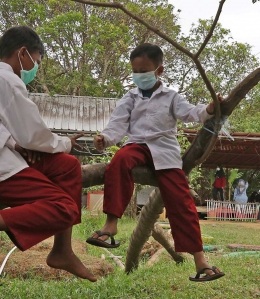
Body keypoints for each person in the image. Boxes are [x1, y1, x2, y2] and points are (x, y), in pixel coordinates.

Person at [0, 26, 96, 281]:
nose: (34, 69)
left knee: (68, 167)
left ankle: (62, 249)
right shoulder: (7, 81)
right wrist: (65, 142)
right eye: (35, 61)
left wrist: (16, 144)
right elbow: (33, 134)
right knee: (65, 207)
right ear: (23, 53)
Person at [87, 43, 225, 282]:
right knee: (119, 161)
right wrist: (105, 139)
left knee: (181, 199)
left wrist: (209, 109)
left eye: (144, 70)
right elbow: (117, 125)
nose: (139, 76)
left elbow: (191, 113)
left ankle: (200, 260)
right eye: (135, 71)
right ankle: (110, 226)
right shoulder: (129, 98)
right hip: (137, 145)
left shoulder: (171, 97)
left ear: (159, 70)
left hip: (165, 151)